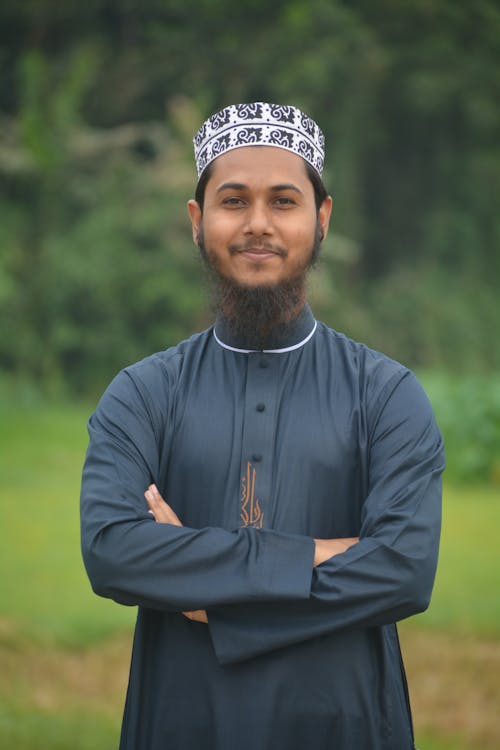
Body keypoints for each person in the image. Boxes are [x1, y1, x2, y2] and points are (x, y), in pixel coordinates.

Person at [80, 102, 445, 750]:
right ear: (197, 221)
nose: (257, 225)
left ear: (321, 216)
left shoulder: (386, 395)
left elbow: (404, 570)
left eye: (282, 201)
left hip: (347, 725)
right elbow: (113, 550)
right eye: (233, 201)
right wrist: (323, 554)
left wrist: (206, 597)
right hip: (180, 722)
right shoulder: (144, 393)